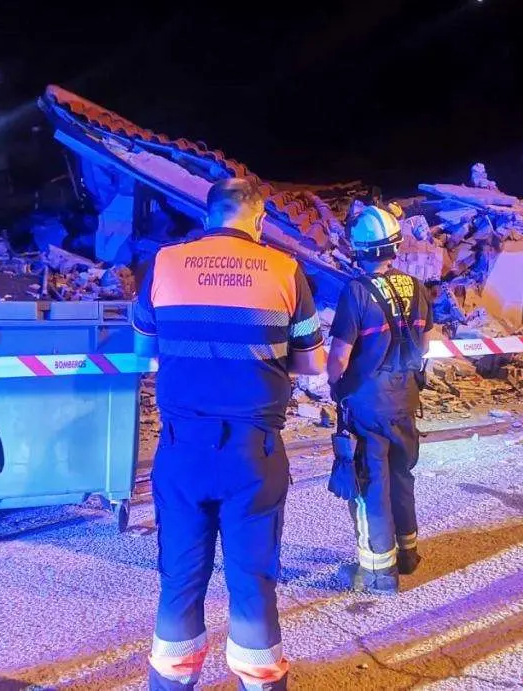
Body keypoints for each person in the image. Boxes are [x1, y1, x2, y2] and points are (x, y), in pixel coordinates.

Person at [133, 177, 327, 690]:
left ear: (207, 215)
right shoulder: (285, 270)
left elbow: (142, 354)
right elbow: (311, 364)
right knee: (252, 582)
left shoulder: (166, 263)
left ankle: (172, 682)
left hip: (182, 449)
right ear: (259, 221)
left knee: (179, 580)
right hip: (253, 452)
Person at [326, 205, 432, 593]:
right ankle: (408, 555)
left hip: (368, 402)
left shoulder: (356, 291)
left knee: (371, 482)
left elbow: (339, 355)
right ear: (396, 246)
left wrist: (336, 387)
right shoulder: (417, 288)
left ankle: (377, 572)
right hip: (405, 396)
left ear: (358, 249)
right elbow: (424, 343)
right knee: (402, 474)